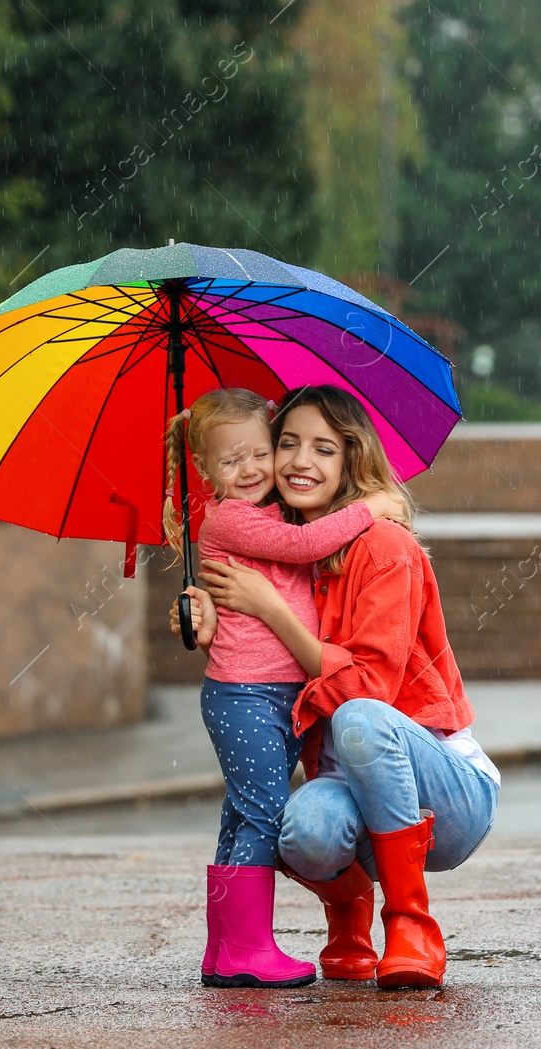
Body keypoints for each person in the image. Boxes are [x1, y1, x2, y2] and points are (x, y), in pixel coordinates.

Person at [174, 385, 498, 989]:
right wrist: (208, 616)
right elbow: (256, 642)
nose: (299, 461)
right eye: (288, 444)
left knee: (358, 717)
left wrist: (270, 609)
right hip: (350, 782)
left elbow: (367, 686)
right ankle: (345, 921)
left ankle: (412, 926)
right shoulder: (281, 546)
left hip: (446, 791)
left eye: (323, 449)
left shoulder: (385, 548)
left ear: (351, 459)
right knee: (298, 830)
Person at [162, 387, 401, 989]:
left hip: (263, 694)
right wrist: (372, 508)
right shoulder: (233, 518)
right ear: (205, 470)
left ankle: (224, 947)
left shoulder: (267, 513)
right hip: (248, 694)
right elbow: (303, 546)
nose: (248, 471)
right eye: (228, 461)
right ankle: (247, 947)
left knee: (242, 815)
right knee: (264, 815)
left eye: (258, 454)